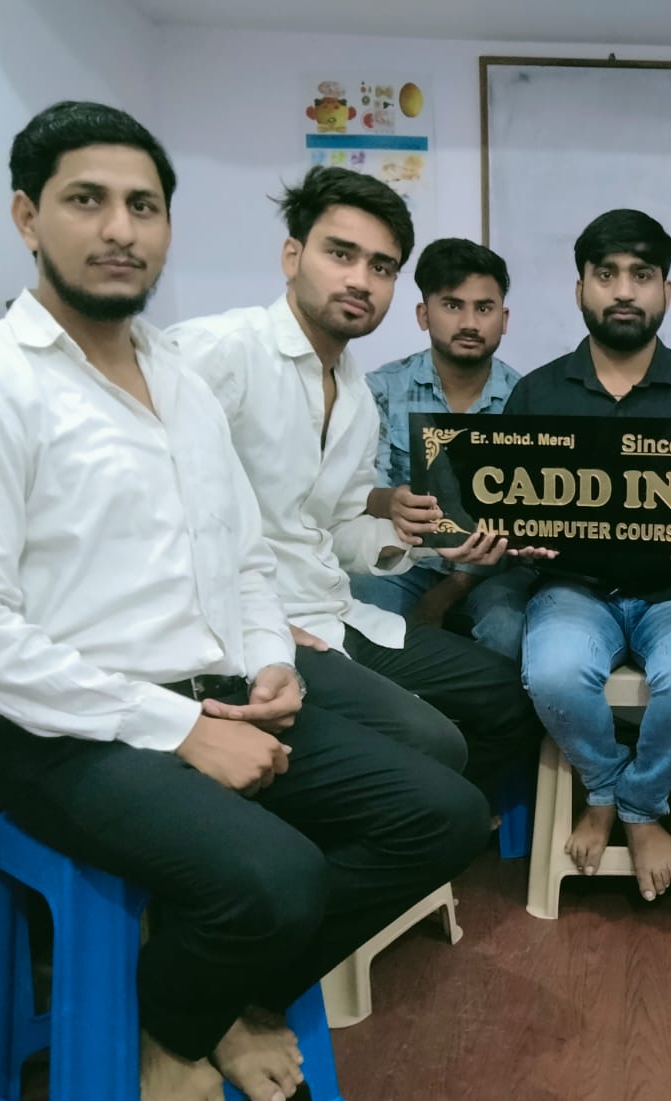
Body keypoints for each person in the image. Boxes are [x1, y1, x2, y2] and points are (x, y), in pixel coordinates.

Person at [0, 101, 488, 1101]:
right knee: (279, 876)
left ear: (168, 227)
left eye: (144, 206)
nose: (119, 228)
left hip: (221, 692)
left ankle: (217, 997)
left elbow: (244, 554)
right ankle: (172, 1029)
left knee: (444, 814)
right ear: (28, 216)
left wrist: (268, 664)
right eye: (88, 200)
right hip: (75, 733)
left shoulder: (175, 379)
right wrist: (177, 729)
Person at [170, 168, 539, 794]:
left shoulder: (354, 394)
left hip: (331, 610)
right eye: (341, 254)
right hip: (252, 628)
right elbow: (151, 514)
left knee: (510, 697)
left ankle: (442, 807)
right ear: (293, 256)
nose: (360, 280)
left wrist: (413, 536)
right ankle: (419, 807)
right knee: (433, 743)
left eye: (381, 266)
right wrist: (257, 628)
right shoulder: (219, 352)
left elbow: (336, 524)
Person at [505, 209, 671, 903]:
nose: (623, 291)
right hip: (573, 588)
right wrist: (516, 538)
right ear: (580, 287)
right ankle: (608, 790)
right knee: (553, 673)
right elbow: (505, 505)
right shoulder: (537, 393)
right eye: (606, 274)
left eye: (641, 275)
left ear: (666, 290)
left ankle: (637, 805)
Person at [351, 237, 535, 661]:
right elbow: (359, 493)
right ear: (423, 314)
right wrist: (391, 503)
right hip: (405, 560)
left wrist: (452, 589)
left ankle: (486, 710)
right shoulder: (380, 390)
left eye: (484, 308)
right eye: (452, 305)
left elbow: (526, 526)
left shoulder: (528, 399)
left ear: (504, 318)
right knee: (361, 609)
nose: (469, 322)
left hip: (495, 573)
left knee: (508, 630)